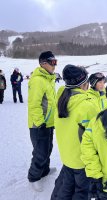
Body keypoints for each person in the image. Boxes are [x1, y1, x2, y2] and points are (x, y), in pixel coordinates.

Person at [51, 65, 98, 200]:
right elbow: (97, 136)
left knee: (65, 189)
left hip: (67, 156)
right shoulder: (88, 105)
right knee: (82, 192)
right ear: (84, 83)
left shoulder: (61, 95)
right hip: (81, 161)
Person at [28, 51, 57, 192]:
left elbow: (51, 103)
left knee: (48, 149)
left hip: (49, 123)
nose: (54, 65)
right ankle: (34, 177)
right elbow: (34, 104)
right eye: (52, 62)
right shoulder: (38, 80)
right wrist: (40, 123)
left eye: (55, 62)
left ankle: (44, 170)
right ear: (43, 63)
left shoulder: (48, 79)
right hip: (39, 124)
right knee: (40, 152)